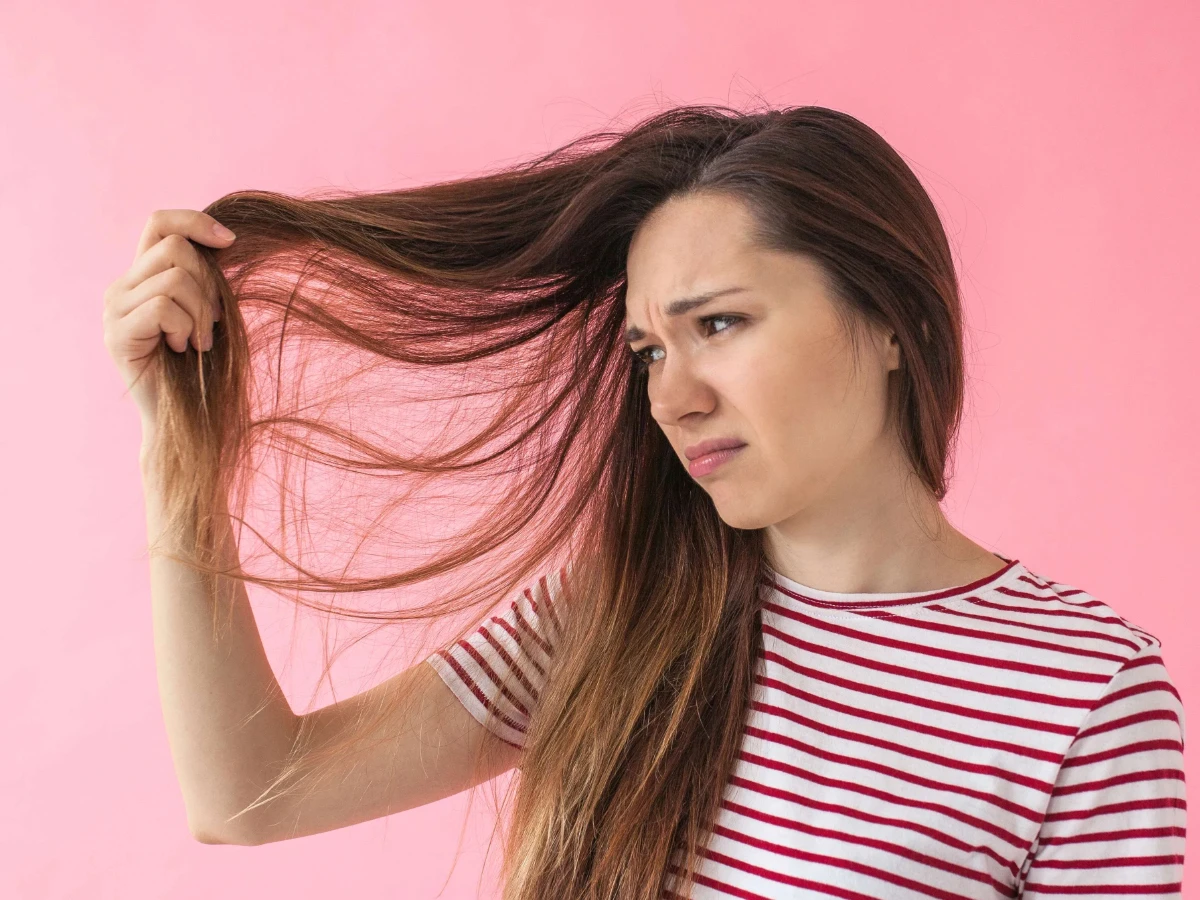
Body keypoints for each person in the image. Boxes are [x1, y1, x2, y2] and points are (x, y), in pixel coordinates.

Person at [102, 105, 1186, 899]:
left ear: (891, 318)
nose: (672, 395)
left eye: (719, 325)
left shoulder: (1086, 693)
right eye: (649, 349)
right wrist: (176, 451)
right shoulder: (616, 616)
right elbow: (251, 793)